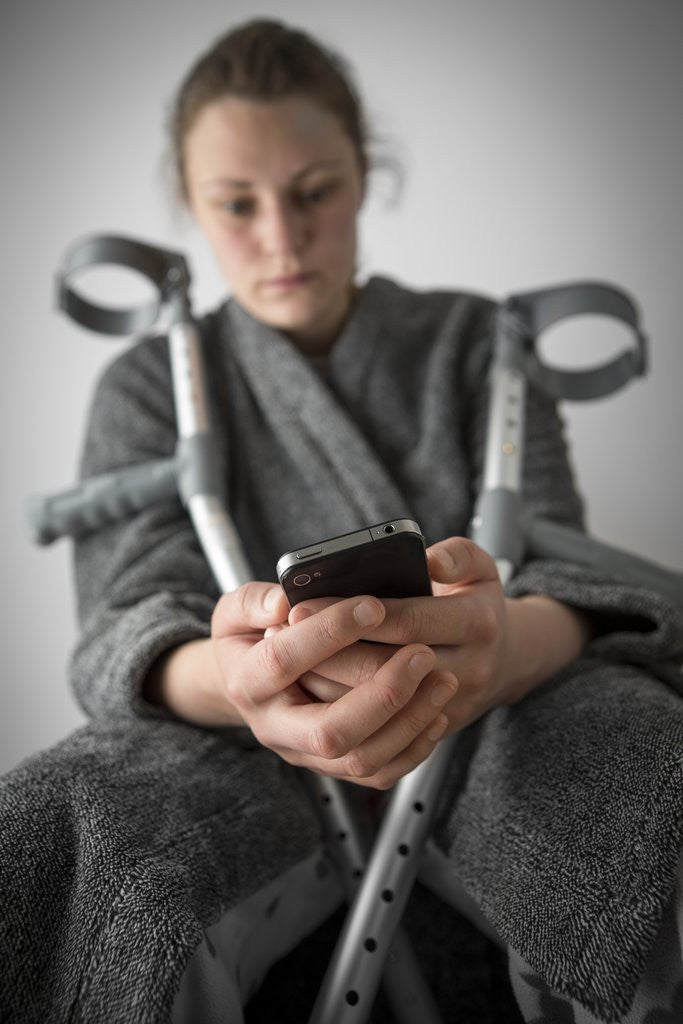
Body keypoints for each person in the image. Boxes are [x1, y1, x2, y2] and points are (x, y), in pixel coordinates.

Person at [1, 18, 682, 1024]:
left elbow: (559, 568)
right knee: (50, 830)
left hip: (490, 720)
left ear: (362, 177)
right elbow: (126, 623)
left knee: (648, 773)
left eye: (313, 191)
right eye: (236, 205)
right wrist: (241, 680)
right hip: (235, 750)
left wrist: (495, 651)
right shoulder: (149, 383)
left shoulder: (474, 346)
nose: (280, 238)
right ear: (190, 206)